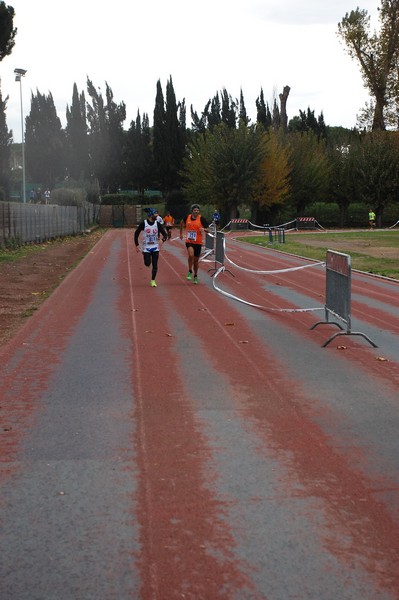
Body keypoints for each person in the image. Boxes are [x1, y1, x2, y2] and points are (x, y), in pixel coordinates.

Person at [134, 208, 167, 287]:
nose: (157, 215)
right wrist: (137, 245)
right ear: (150, 215)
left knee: (155, 265)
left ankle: (153, 280)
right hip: (146, 247)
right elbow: (136, 233)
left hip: (155, 247)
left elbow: (165, 234)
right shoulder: (144, 224)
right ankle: (146, 258)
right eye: (155, 214)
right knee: (147, 263)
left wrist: (163, 240)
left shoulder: (157, 224)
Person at [179, 203, 210, 284]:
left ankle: (195, 275)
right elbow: (181, 223)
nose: (196, 211)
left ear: (199, 211)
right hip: (189, 241)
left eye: (197, 210)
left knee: (196, 261)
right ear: (192, 211)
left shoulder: (202, 219)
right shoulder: (187, 217)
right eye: (194, 210)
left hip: (198, 242)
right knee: (191, 255)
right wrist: (181, 233)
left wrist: (204, 229)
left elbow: (208, 230)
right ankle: (189, 270)